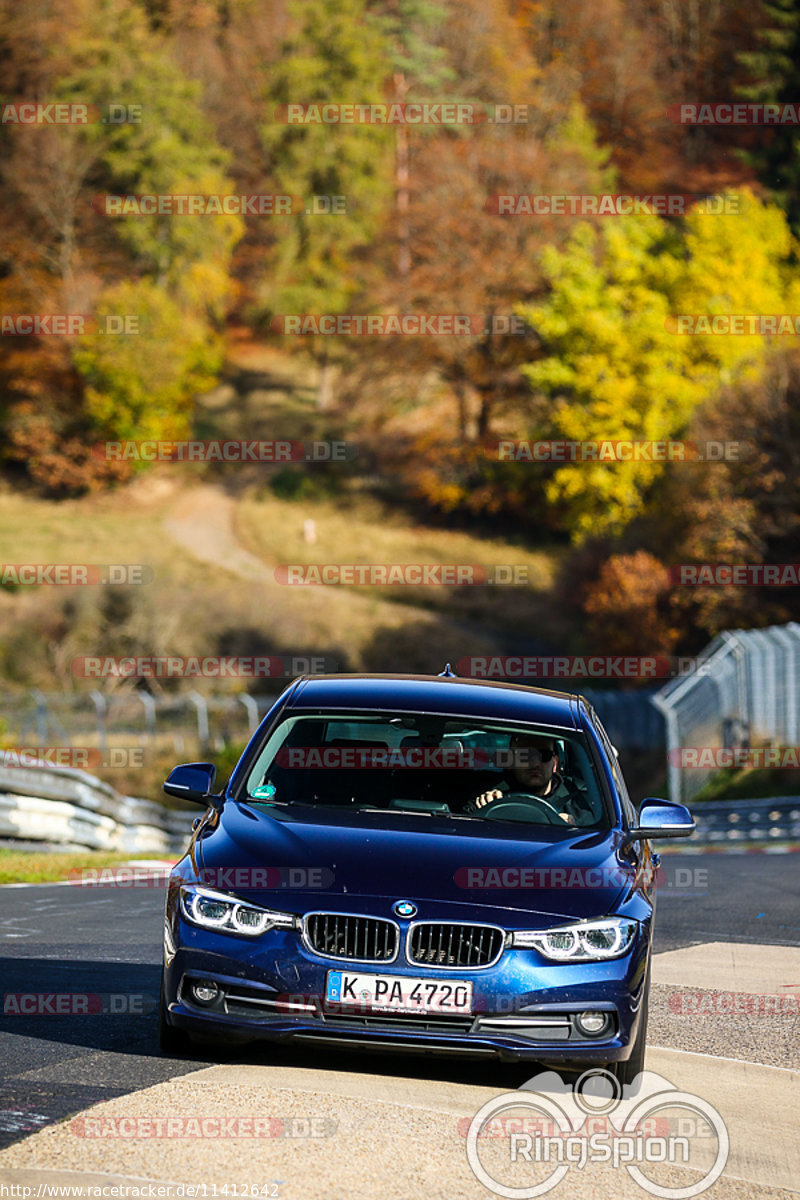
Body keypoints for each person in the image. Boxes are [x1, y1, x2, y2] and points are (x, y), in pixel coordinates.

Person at [468, 732, 594, 825]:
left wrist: (574, 826)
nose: (535, 763)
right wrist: (483, 809)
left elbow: (598, 836)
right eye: (525, 756)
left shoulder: (580, 803)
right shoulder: (492, 795)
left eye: (544, 755)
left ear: (555, 763)